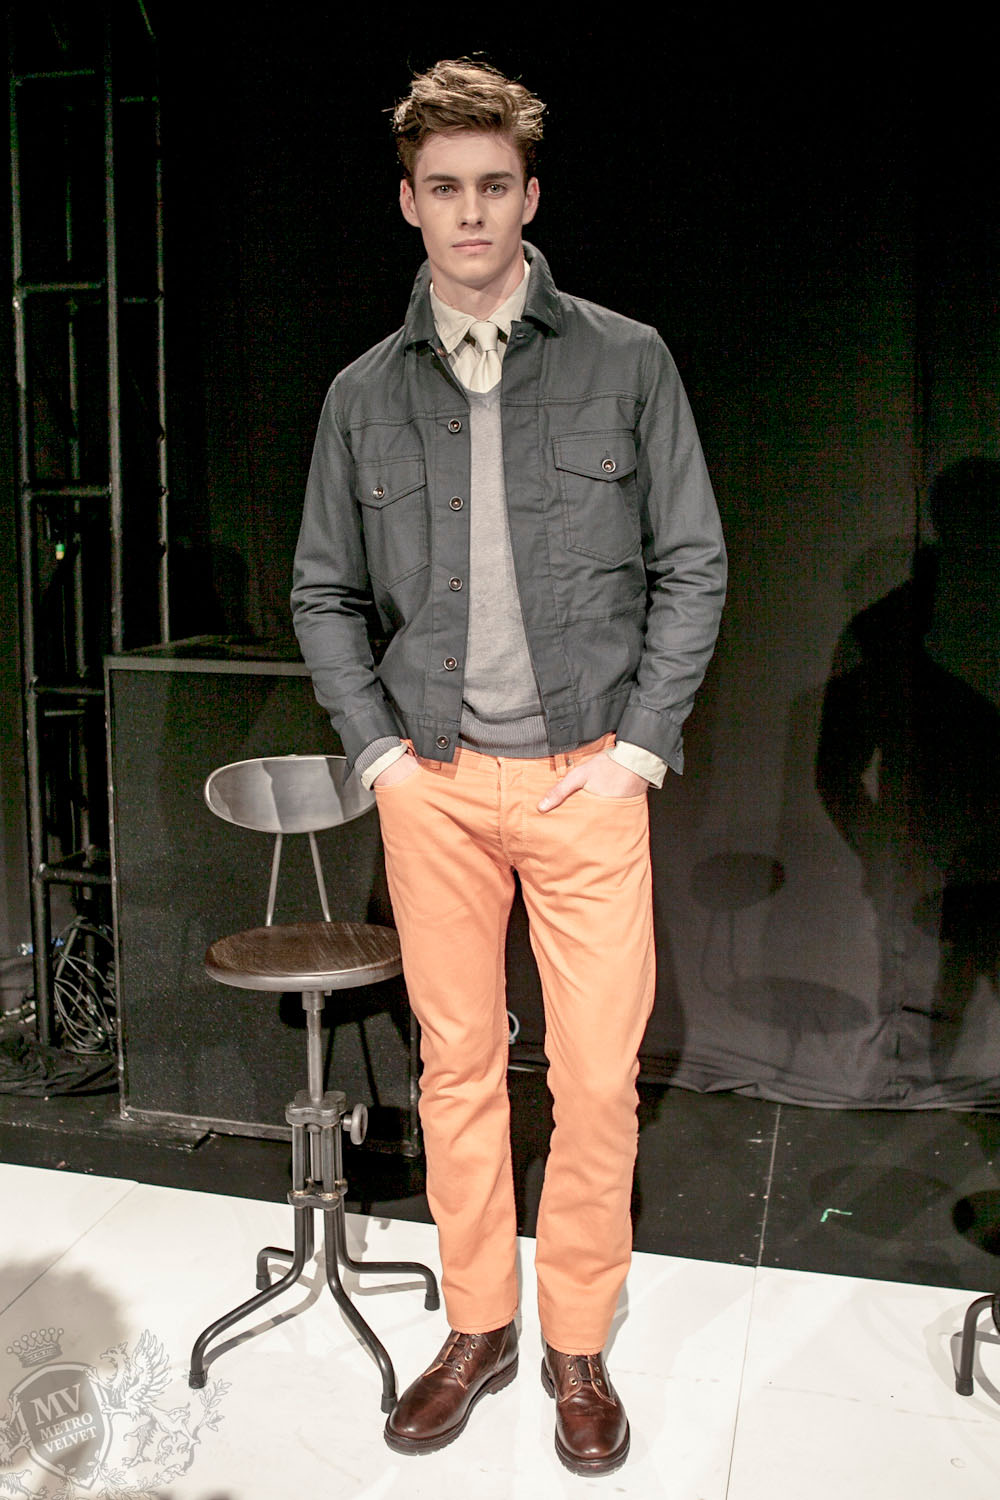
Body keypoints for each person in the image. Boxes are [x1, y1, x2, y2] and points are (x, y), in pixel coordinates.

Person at [291, 58, 726, 1476]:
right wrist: (381, 757)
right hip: (435, 787)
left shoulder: (626, 360)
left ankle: (576, 1340)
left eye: (493, 186)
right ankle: (478, 1324)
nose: (470, 212)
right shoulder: (362, 394)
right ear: (408, 204)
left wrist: (638, 751)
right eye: (444, 188)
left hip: (585, 780)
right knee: (459, 1067)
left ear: (529, 197)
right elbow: (321, 593)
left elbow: (694, 563)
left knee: (595, 1078)